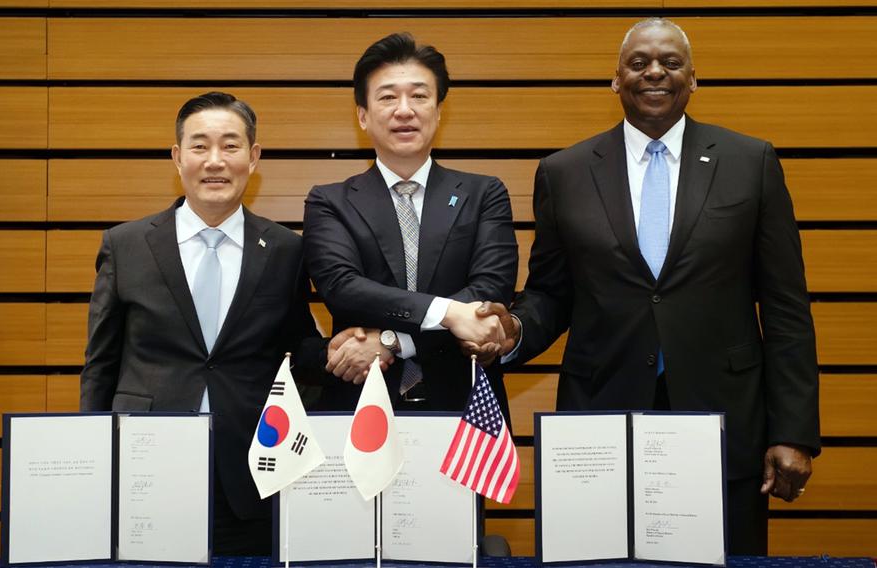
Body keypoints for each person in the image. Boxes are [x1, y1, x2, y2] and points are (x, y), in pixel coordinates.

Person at [472, 18, 820, 554]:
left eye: (670, 62)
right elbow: (552, 293)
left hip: (724, 420)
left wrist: (792, 431)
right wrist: (512, 330)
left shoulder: (751, 163)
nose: (654, 71)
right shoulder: (564, 172)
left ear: (693, 78)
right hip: (600, 418)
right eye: (638, 63)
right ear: (616, 80)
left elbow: (786, 307)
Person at [79, 91, 363, 555]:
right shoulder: (125, 245)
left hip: (250, 470)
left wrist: (341, 347)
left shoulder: (286, 250)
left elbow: (297, 347)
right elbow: (100, 364)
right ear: (177, 157)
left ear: (253, 158)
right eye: (199, 146)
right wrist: (93, 460)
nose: (215, 161)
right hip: (146, 466)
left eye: (230, 146)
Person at [303, 32, 518, 416]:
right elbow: (343, 288)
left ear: (438, 111)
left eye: (419, 96)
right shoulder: (329, 200)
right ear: (363, 116)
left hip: (465, 409)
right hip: (362, 409)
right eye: (387, 97)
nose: (405, 110)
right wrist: (450, 314)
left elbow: (490, 290)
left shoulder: (484, 193)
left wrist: (395, 341)